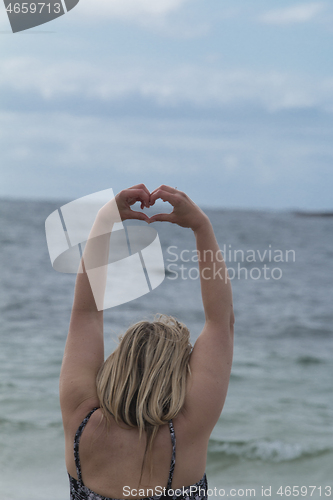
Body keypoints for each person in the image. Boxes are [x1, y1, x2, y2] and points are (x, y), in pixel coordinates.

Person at [60, 184, 234, 500]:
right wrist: (201, 227)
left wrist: (105, 220)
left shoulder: (80, 422)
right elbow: (221, 323)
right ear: (179, 375)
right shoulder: (185, 434)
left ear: (117, 364)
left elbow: (86, 313)